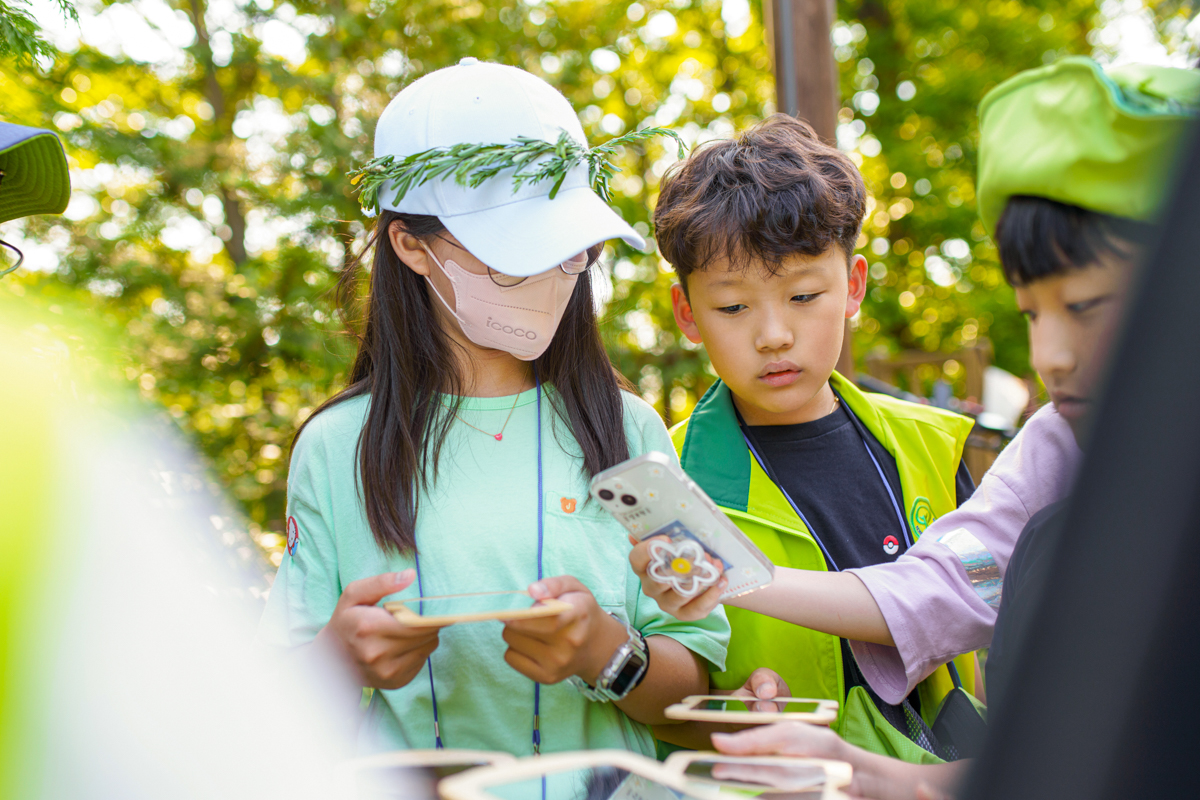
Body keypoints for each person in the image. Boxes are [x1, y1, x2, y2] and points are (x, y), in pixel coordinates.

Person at [703, 57, 1200, 799]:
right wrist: (871, 772)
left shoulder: (933, 439)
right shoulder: (1059, 445)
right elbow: (941, 587)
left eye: (1086, 307)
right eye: (1031, 313)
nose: (1049, 357)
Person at [257, 59, 732, 759]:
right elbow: (269, 710)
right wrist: (338, 661)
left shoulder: (631, 430)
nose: (549, 277)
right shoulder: (337, 447)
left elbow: (697, 687)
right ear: (411, 245)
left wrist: (608, 653)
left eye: (570, 250)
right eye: (514, 257)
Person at [639, 114, 980, 762]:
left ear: (853, 286)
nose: (773, 335)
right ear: (687, 314)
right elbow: (653, 686)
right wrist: (721, 716)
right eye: (733, 307)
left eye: (802, 296)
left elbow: (975, 646)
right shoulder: (664, 483)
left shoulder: (935, 445)